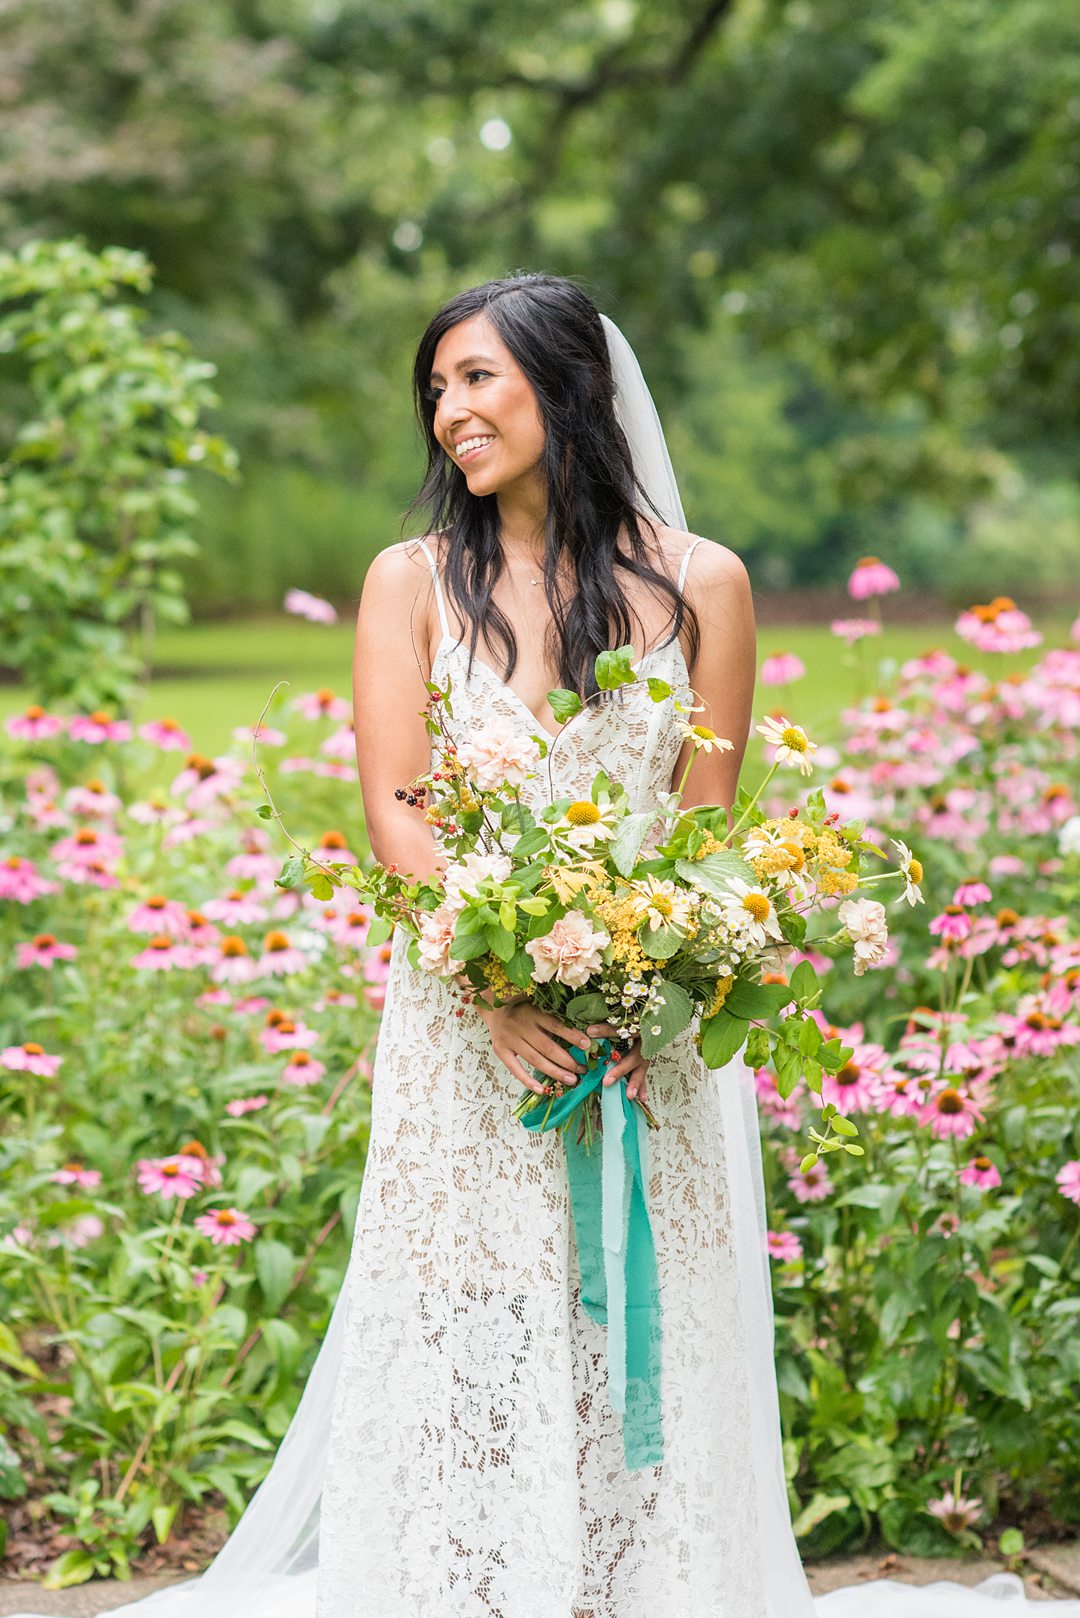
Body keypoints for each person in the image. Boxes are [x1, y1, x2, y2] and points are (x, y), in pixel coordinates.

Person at [10, 275, 1076, 1618]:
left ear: (569, 387)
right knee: (468, 1310)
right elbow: (399, 804)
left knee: (649, 1311)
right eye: (438, 387)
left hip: (650, 1044)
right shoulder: (409, 583)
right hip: (467, 1032)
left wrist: (643, 993)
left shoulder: (707, 587)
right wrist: (493, 993)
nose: (450, 412)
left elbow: (705, 833)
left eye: (479, 379)